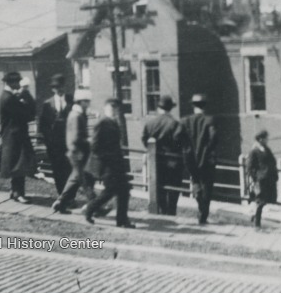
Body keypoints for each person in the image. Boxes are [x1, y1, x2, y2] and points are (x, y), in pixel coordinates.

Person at [83, 99, 135, 228]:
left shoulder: (113, 123)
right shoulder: (102, 123)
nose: (114, 111)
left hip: (116, 165)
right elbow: (95, 146)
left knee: (124, 191)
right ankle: (90, 209)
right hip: (108, 165)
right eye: (112, 108)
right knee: (110, 191)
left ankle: (122, 220)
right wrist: (108, 158)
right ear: (106, 109)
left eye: (116, 108)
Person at [51, 90, 96, 213]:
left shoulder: (77, 114)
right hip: (78, 153)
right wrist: (89, 141)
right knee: (85, 180)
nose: (88, 104)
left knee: (75, 179)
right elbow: (76, 137)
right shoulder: (76, 116)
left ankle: (61, 202)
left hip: (76, 152)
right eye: (86, 101)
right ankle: (95, 206)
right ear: (80, 102)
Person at [141, 95, 186, 215]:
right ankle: (171, 212)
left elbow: (144, 139)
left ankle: (162, 211)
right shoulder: (176, 124)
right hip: (173, 163)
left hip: (156, 161)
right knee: (173, 190)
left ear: (159, 107)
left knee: (158, 187)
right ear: (171, 108)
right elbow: (179, 142)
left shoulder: (150, 123)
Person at [0, 71, 37, 203]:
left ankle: (14, 191)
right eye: (17, 82)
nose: (18, 84)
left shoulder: (7, 96)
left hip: (12, 136)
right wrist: (26, 95)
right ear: (11, 83)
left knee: (16, 165)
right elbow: (27, 115)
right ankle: (18, 193)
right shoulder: (9, 99)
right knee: (19, 165)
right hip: (15, 136)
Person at [181, 93, 218, 225]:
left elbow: (179, 137)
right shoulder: (209, 120)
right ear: (205, 106)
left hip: (190, 158)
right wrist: (208, 149)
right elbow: (213, 137)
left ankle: (197, 195)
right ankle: (203, 214)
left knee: (195, 180)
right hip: (206, 159)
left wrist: (186, 149)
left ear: (193, 106)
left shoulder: (185, 121)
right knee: (207, 186)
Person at [38, 74, 73, 195]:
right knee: (58, 171)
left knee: (69, 170)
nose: (59, 89)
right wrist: (49, 141)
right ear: (53, 89)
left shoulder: (71, 101)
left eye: (61, 86)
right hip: (54, 145)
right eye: (56, 87)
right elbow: (42, 126)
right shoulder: (47, 104)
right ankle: (61, 195)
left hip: (69, 143)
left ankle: (70, 197)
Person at [247, 130, 277, 229]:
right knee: (261, 201)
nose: (267, 140)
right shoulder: (254, 151)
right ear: (260, 139)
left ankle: (254, 216)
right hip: (261, 180)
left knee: (267, 200)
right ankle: (257, 224)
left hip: (269, 179)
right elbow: (250, 167)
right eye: (265, 138)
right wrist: (256, 178)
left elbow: (272, 161)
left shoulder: (266, 149)